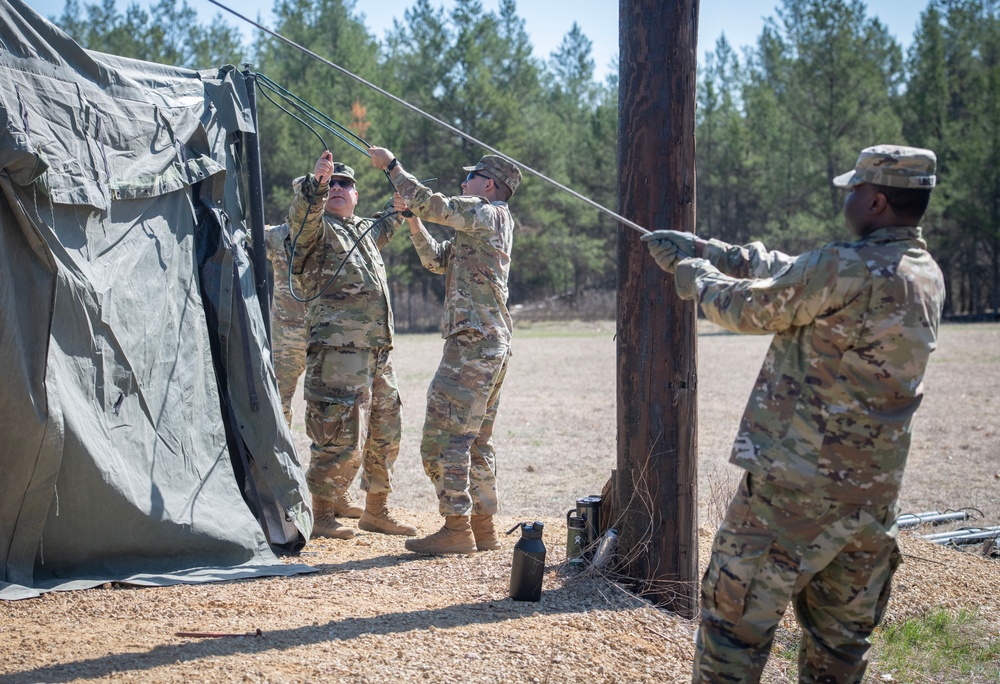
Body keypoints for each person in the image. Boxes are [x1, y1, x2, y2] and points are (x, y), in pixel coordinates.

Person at [642, 144, 946, 683]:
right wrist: (715, 250)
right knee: (840, 647)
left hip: (792, 493)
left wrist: (699, 278)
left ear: (875, 201)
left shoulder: (842, 266)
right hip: (871, 501)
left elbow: (754, 307)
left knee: (732, 633)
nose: (846, 198)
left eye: (853, 190)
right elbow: (798, 273)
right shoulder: (925, 275)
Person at [368, 146, 521, 555]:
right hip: (489, 341)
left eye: (470, 178)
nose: (462, 184)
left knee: (444, 436)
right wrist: (414, 224)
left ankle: (456, 527)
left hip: (474, 342)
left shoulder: (486, 212)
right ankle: (482, 528)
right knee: (475, 439)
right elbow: (438, 261)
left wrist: (394, 167)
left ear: (488, 184)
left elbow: (436, 204)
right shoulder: (484, 225)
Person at [287, 151, 417, 540]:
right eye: (334, 184)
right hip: (337, 350)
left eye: (346, 184)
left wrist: (399, 201)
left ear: (356, 195)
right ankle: (323, 510)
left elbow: (390, 221)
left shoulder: (361, 229)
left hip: (377, 351)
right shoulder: (315, 227)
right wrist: (317, 183)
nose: (339, 189)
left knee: (385, 428)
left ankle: (376, 509)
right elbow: (303, 214)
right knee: (334, 429)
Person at [264, 223, 306, 429]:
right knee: (278, 401)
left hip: (326, 332)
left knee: (331, 406)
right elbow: (241, 239)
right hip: (287, 337)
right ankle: (280, 458)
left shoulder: (338, 231)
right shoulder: (279, 235)